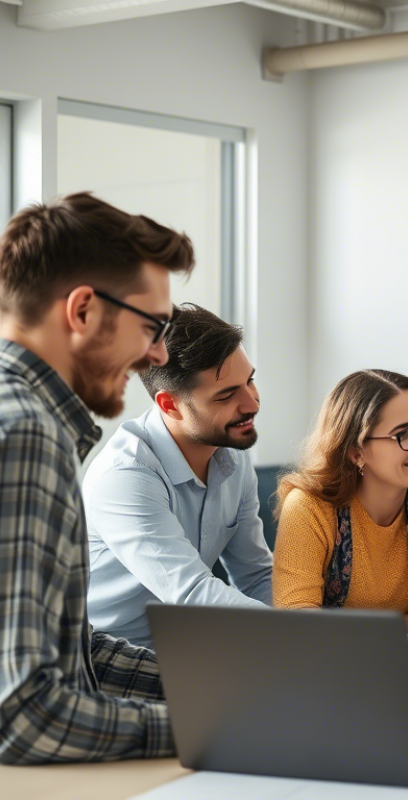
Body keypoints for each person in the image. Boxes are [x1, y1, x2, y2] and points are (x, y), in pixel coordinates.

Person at [0, 192, 194, 763]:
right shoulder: (27, 434)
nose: (157, 352)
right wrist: (222, 722)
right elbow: (23, 714)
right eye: (152, 326)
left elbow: (71, 653)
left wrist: (227, 685)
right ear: (83, 310)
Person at [83, 304, 272, 649]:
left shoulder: (230, 452)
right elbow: (192, 592)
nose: (252, 403)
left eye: (250, 381)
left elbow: (257, 575)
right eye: (227, 395)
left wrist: (311, 630)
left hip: (188, 647)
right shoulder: (125, 476)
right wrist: (301, 639)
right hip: (105, 659)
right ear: (170, 405)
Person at [272, 370, 408, 663]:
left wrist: (371, 640)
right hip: (320, 670)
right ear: (356, 452)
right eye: (404, 434)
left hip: (403, 671)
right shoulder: (308, 507)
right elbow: (300, 628)